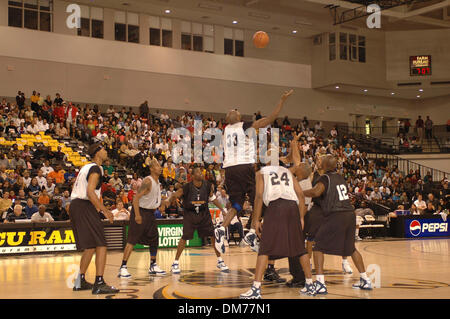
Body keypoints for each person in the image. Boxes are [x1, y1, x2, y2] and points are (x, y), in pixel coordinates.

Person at [215, 89, 294, 254]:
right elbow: (271, 118)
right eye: (236, 111)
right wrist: (282, 101)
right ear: (237, 118)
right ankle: (251, 234)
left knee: (236, 204)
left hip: (230, 169)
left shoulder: (226, 130)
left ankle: (222, 229)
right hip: (245, 167)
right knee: (261, 201)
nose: (237, 111)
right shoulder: (245, 126)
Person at [239, 159, 315, 299]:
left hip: (276, 207)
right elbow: (300, 195)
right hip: (292, 207)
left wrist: (255, 220)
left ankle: (256, 289)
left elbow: (259, 196)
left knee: (265, 249)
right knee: (300, 248)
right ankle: (310, 284)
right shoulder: (287, 172)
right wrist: (301, 217)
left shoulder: (261, 173)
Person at [302, 155, 373, 294]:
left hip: (336, 214)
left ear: (326, 165)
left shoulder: (325, 178)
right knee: (351, 248)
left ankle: (320, 284)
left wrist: (300, 192)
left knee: (317, 247)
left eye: (321, 161)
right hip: (349, 214)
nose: (319, 162)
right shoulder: (340, 177)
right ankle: (365, 279)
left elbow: (316, 192)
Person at [69, 143, 119, 294]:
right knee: (101, 243)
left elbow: (77, 189)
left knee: (90, 246)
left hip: (76, 205)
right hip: (84, 205)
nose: (106, 151)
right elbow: (90, 192)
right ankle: (99, 282)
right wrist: (105, 211)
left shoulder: (86, 167)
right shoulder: (96, 168)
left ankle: (80, 281)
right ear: (97, 153)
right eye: (104, 149)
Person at [164, 166, 229, 274]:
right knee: (184, 237)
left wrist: (222, 209)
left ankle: (220, 261)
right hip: (190, 214)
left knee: (212, 235)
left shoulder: (208, 185)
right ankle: (175, 263)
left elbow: (212, 198)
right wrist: (168, 199)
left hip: (204, 214)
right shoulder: (187, 187)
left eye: (201, 172)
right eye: (198, 172)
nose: (201, 174)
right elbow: (176, 194)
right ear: (193, 176)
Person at [118, 159, 167, 278]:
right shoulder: (147, 181)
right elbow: (135, 198)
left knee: (154, 238)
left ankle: (153, 265)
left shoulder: (157, 181)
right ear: (151, 169)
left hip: (150, 213)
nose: (160, 168)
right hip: (140, 211)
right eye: (157, 166)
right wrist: (138, 215)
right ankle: (123, 267)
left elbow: (154, 197)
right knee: (132, 240)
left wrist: (161, 204)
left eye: (160, 166)